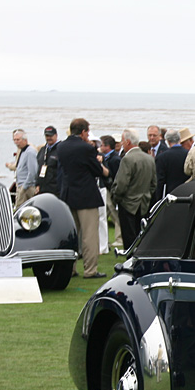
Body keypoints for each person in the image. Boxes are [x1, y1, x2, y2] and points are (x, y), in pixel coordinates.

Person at [59, 118, 110, 278]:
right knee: (89, 235)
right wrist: (105, 170)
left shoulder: (61, 146)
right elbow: (96, 170)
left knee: (71, 235)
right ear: (83, 132)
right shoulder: (86, 148)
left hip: (68, 194)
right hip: (86, 195)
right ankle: (90, 270)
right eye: (87, 131)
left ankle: (70, 268)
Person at [112, 128, 157, 249]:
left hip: (128, 204)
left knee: (129, 238)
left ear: (127, 142)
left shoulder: (127, 159)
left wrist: (116, 198)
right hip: (143, 203)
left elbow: (121, 184)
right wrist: (146, 196)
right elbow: (153, 184)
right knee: (140, 235)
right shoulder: (149, 159)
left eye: (122, 141)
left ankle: (130, 261)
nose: (121, 144)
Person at [99, 135, 122, 248]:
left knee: (114, 213)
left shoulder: (115, 159)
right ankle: (104, 240)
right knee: (105, 213)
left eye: (102, 145)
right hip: (106, 188)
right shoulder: (107, 157)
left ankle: (119, 238)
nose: (100, 147)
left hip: (110, 189)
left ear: (107, 146)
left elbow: (116, 175)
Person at [155, 130, 188, 198]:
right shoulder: (188, 154)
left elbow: (160, 181)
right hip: (187, 193)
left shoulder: (162, 157)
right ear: (180, 139)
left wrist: (158, 199)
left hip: (170, 194)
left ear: (167, 141)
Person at [10, 130, 38, 209]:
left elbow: (33, 171)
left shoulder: (30, 152)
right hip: (20, 185)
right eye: (14, 140)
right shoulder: (22, 151)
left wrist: (24, 186)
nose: (16, 142)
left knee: (20, 209)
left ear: (25, 140)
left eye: (18, 140)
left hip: (27, 187)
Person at [36, 125, 61, 196]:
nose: (48, 138)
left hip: (56, 190)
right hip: (43, 189)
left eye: (51, 136)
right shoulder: (42, 150)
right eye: (47, 136)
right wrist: (37, 184)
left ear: (56, 135)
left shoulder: (61, 149)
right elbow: (38, 168)